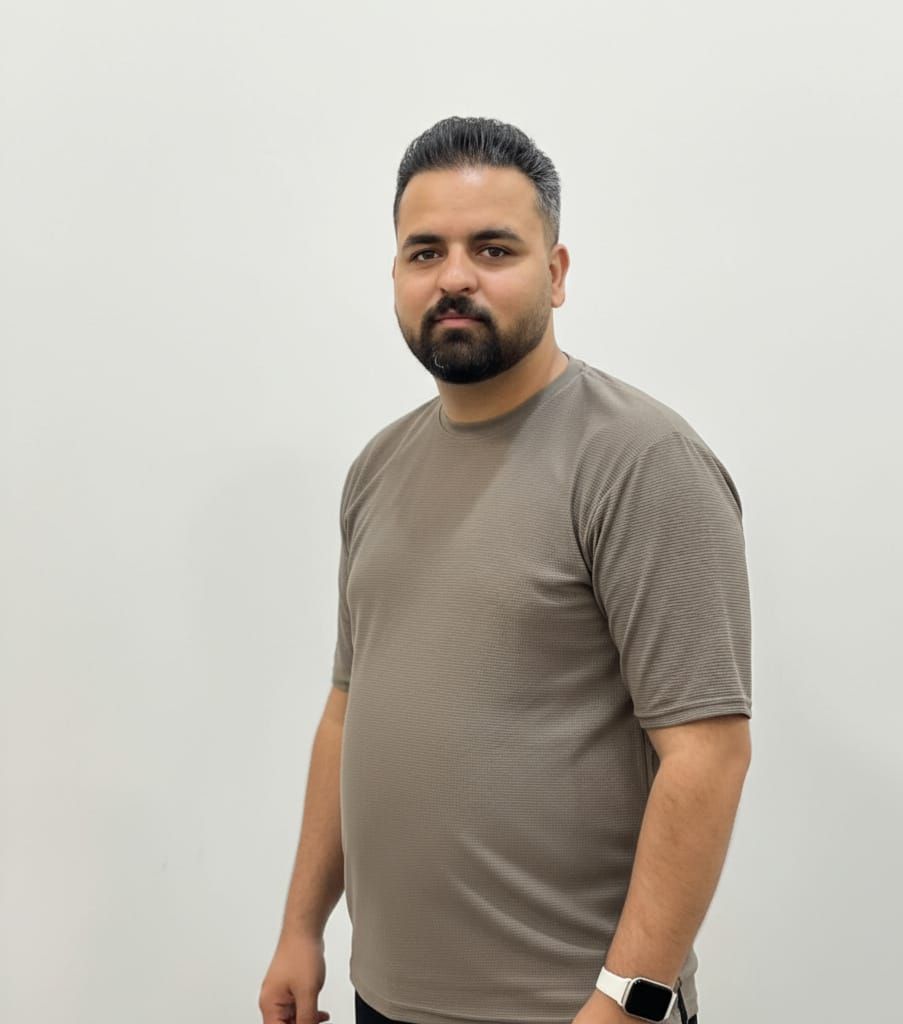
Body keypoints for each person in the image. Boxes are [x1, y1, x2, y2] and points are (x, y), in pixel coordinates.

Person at [259, 116, 752, 1024]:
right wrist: (301, 928)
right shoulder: (377, 468)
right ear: (398, 277)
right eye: (425, 252)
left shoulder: (641, 462)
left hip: (567, 1010)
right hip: (386, 1001)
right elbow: (346, 708)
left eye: (493, 248)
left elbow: (708, 756)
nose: (454, 277)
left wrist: (627, 1003)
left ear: (556, 275)